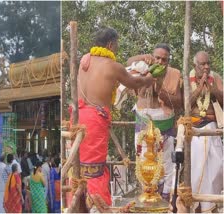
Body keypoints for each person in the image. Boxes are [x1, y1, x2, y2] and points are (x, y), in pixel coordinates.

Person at [73, 27, 154, 207]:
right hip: (95, 119)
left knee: (82, 166)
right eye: (116, 45)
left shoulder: (84, 60)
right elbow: (135, 83)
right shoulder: (112, 66)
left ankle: (78, 203)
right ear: (110, 44)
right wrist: (149, 79)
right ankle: (97, 205)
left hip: (78, 117)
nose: (117, 49)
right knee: (94, 168)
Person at [127, 43, 183, 201]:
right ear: (152, 57)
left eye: (164, 60)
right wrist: (142, 58)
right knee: (144, 163)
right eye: (157, 58)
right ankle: (148, 199)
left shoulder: (173, 74)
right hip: (144, 124)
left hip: (165, 127)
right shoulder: (143, 69)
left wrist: (159, 88)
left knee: (167, 166)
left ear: (168, 61)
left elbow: (178, 102)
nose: (160, 62)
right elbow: (128, 62)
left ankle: (165, 201)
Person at [189, 51, 223, 212]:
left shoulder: (215, 77)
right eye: (203, 64)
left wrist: (213, 89)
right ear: (195, 65)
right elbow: (185, 104)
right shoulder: (187, 78)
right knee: (196, 167)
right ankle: (197, 205)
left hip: (213, 127)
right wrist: (199, 88)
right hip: (195, 128)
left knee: (216, 166)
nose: (207, 67)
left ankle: (212, 205)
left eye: (208, 63)